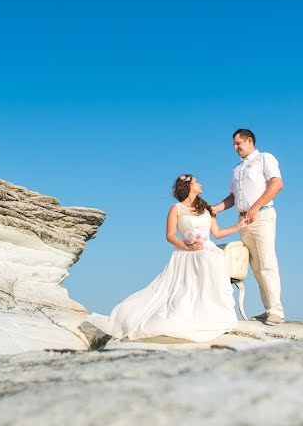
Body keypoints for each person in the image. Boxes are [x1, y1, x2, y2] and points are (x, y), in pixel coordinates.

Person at [84, 174, 245, 344]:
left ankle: (215, 315)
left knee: (213, 259)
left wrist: (239, 226)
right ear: (188, 186)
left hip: (208, 250)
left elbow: (217, 233)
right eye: (196, 182)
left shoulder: (206, 208)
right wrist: (187, 246)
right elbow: (170, 235)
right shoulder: (176, 209)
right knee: (178, 290)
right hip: (186, 252)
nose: (200, 184)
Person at [212, 128, 285, 326]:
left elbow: (277, 184)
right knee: (256, 267)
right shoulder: (236, 169)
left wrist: (255, 207)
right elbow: (232, 197)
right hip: (243, 220)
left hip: (262, 216)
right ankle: (268, 308)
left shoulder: (264, 158)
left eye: (238, 143)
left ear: (249, 141)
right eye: (234, 145)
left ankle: (276, 311)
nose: (235, 148)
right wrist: (214, 209)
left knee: (267, 261)